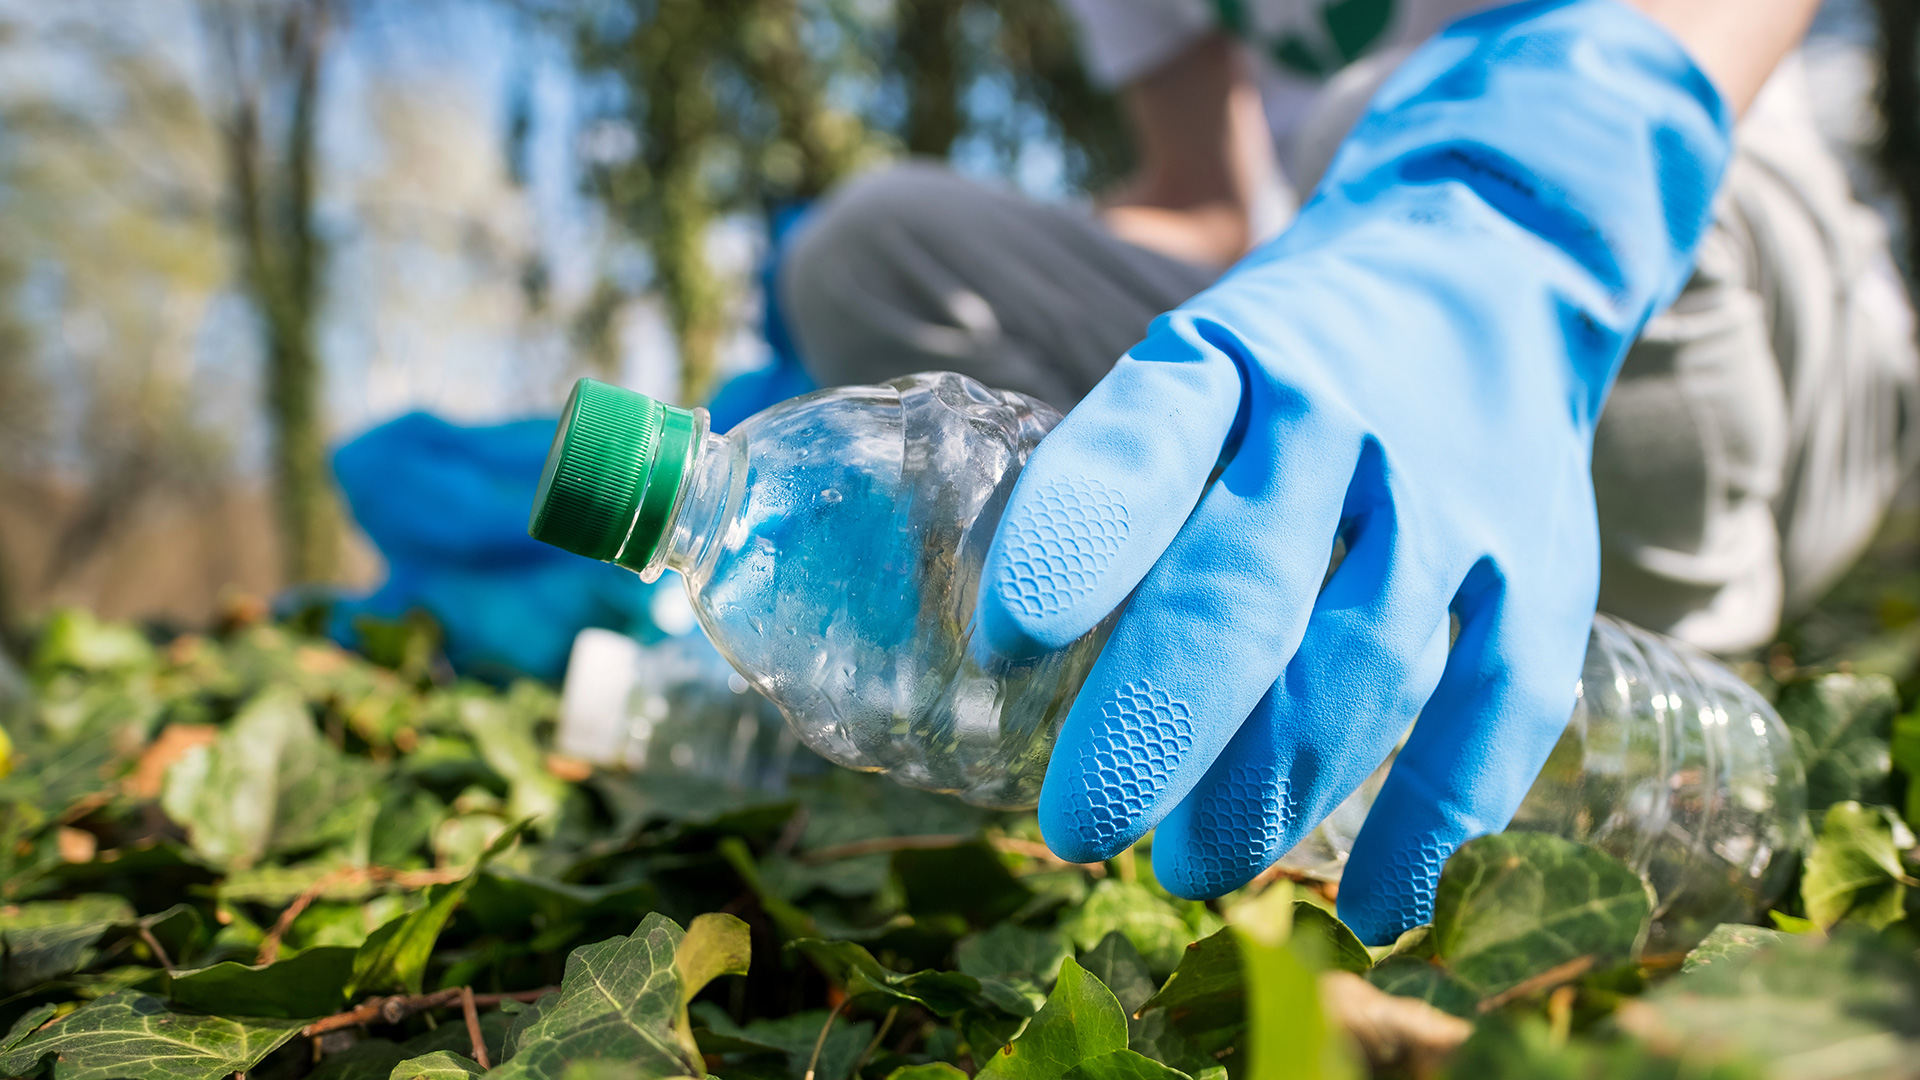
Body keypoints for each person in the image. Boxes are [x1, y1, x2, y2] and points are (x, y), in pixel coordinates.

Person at [776, 0, 1918, 944]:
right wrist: (862, 443)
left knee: (1358, 114)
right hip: (1351, 292)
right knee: (875, 246)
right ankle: (1343, 630)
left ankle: (1654, 642)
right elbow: (1202, 205)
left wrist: (1505, 215)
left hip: (1708, 269)